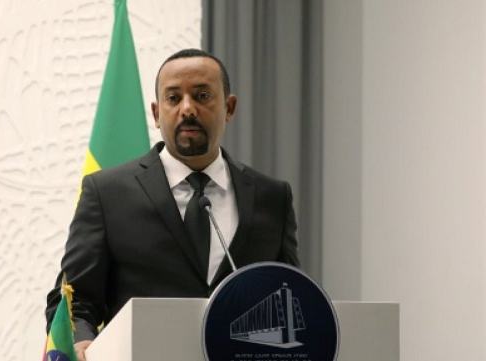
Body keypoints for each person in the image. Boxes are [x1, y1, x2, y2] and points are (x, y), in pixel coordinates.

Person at [45, 48, 299, 360]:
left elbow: (289, 292)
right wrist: (81, 342)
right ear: (155, 113)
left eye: (203, 95)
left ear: (229, 107)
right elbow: (74, 299)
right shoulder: (107, 193)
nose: (188, 109)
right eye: (173, 98)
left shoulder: (273, 197)